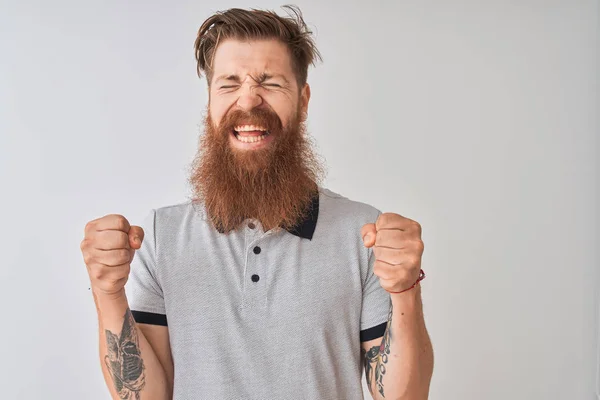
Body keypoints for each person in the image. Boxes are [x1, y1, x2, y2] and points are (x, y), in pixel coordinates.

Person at [80, 5, 434, 399]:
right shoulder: (160, 237)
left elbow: (405, 396)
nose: (248, 101)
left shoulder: (364, 233)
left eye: (270, 82)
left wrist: (405, 290)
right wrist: (107, 292)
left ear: (303, 100)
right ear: (210, 101)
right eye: (229, 84)